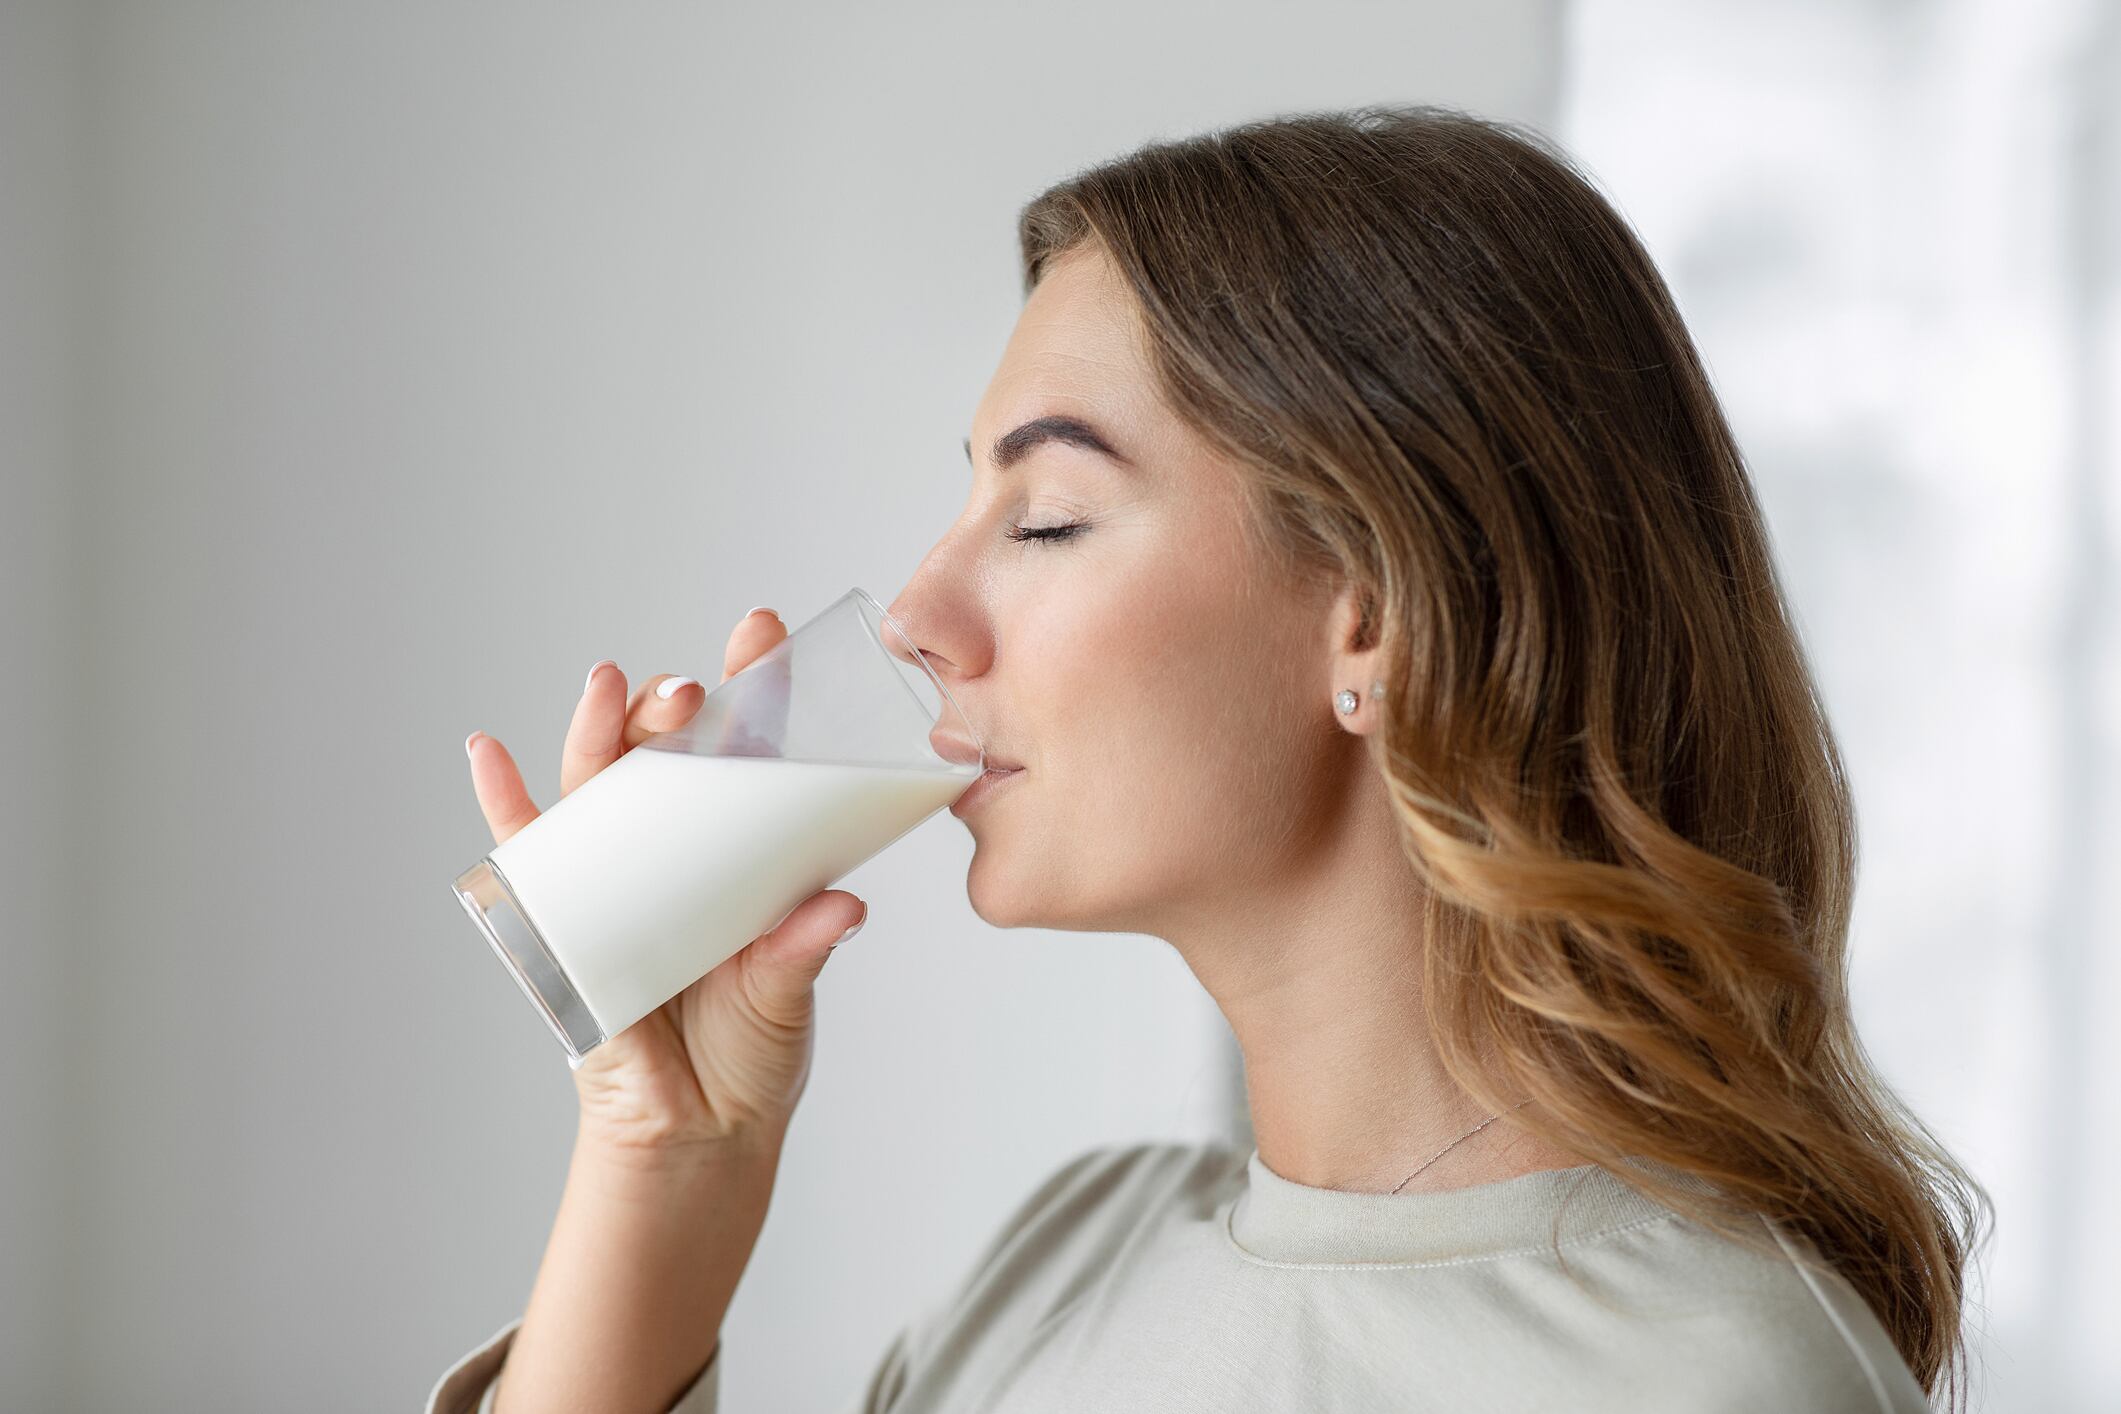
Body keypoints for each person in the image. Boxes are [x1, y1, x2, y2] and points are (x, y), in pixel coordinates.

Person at [433, 105, 1989, 1413]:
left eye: (1042, 519)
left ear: (1372, 615)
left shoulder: (1710, 1378)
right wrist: (669, 1166)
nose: (911, 612)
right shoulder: (1068, 1257)